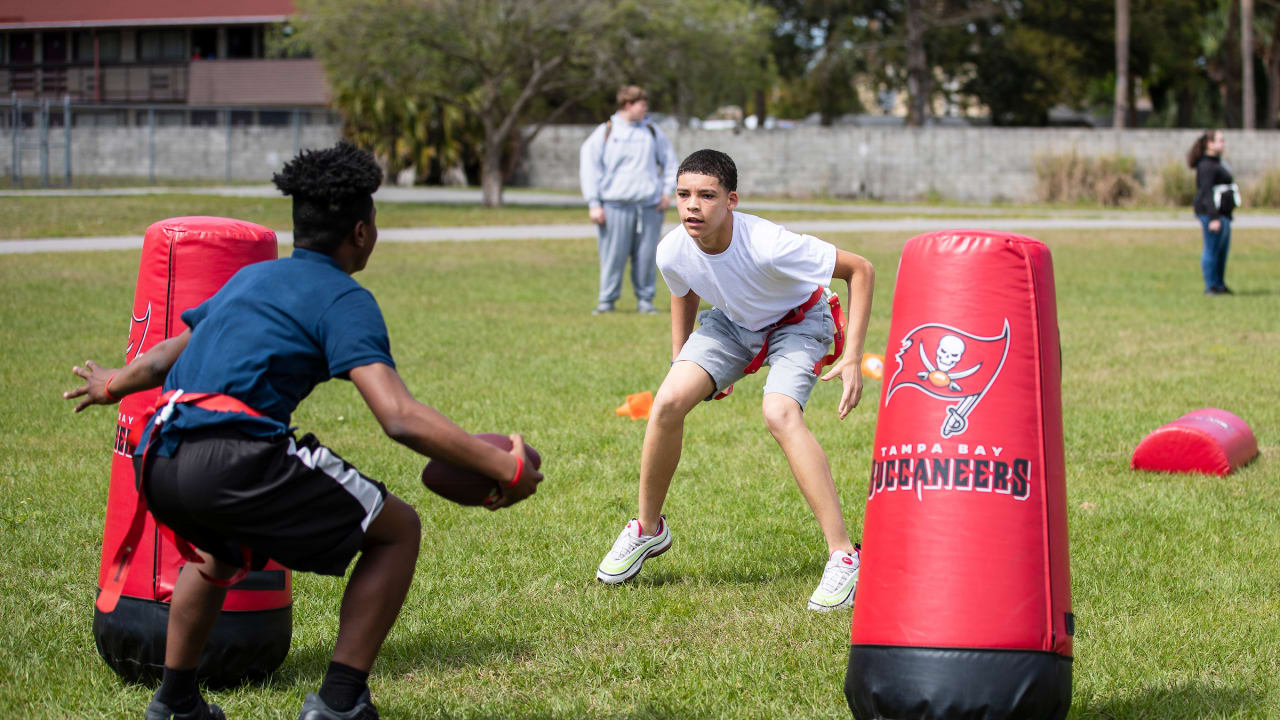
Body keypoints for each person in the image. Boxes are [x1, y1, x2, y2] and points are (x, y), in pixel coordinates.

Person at [62, 142, 542, 720]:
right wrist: (503, 467)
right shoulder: (343, 297)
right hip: (232, 452)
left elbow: (166, 355)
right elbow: (398, 415)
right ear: (362, 233)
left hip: (159, 455)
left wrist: (111, 385)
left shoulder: (251, 279)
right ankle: (340, 702)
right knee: (397, 531)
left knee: (215, 556)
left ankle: (176, 703)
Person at [594, 149, 875, 612]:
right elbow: (682, 290)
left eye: (706, 196)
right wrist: (681, 360)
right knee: (667, 403)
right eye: (683, 195)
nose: (692, 206)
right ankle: (648, 529)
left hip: (799, 322)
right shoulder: (673, 248)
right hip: (731, 324)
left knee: (779, 413)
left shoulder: (768, 242)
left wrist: (852, 355)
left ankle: (844, 555)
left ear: (732, 200)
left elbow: (860, 269)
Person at [579, 84, 679, 315]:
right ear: (628, 105)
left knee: (646, 256)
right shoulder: (607, 131)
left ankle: (645, 300)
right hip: (614, 205)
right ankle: (607, 301)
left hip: (649, 206)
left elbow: (670, 163)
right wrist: (594, 203)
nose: (645, 109)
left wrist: (666, 192)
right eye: (642, 105)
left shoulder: (652, 131)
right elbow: (589, 168)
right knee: (613, 256)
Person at [1188, 129, 1239, 295]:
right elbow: (1207, 192)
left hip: (1223, 214)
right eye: (1220, 140)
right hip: (1212, 215)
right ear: (1210, 144)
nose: (1223, 144)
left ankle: (1219, 284)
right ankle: (1211, 286)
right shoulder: (1206, 166)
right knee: (1211, 249)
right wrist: (1214, 217)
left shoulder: (1217, 162)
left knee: (1221, 250)